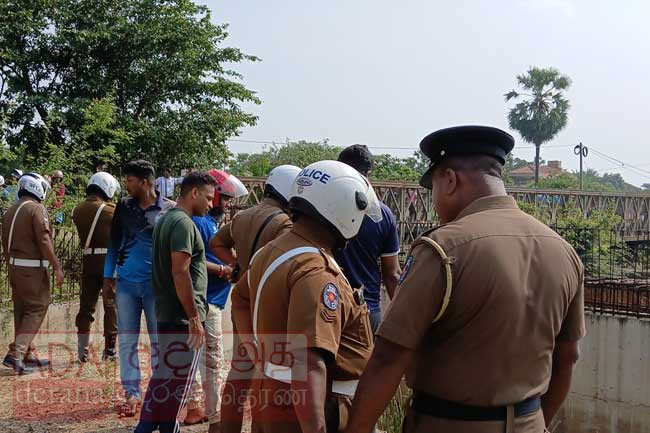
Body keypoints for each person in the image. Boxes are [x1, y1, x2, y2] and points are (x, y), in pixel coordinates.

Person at [346, 126, 586, 433]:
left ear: (449, 180)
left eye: (432, 187)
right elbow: (567, 358)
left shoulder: (443, 249)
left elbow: (388, 359)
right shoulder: (564, 252)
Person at [234, 160, 381, 433]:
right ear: (345, 208)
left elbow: (240, 299)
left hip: (275, 395)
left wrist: (259, 354)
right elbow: (308, 363)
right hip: (312, 408)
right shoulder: (316, 271)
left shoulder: (274, 250)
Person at [211, 164, 300, 433]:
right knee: (268, 373)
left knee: (240, 368)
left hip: (241, 300)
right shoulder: (284, 223)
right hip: (267, 304)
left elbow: (216, 243)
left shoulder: (242, 216)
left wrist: (238, 266)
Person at [134, 171, 217, 433]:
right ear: (193, 193)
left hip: (169, 312)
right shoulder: (183, 224)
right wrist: (194, 317)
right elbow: (180, 271)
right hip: (182, 316)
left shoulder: (166, 219)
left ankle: (144, 429)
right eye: (208, 197)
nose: (211, 204)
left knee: (163, 378)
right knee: (179, 382)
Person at [104, 160, 175, 417]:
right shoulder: (123, 207)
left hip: (156, 288)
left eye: (130, 180)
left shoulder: (170, 210)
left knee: (159, 342)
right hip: (126, 285)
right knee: (127, 341)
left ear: (145, 182)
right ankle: (131, 393)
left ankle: (157, 394)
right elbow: (113, 243)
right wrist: (107, 277)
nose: (126, 185)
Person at [184, 169, 248, 426]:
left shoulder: (206, 223)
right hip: (207, 300)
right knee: (213, 357)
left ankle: (196, 406)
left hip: (208, 299)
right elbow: (195, 262)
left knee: (198, 356)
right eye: (223, 198)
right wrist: (226, 270)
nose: (225, 204)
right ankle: (214, 413)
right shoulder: (201, 223)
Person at [335, 144, 401, 333]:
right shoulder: (383, 214)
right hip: (367, 309)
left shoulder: (324, 207)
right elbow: (392, 274)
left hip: (328, 305)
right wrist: (401, 321)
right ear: (369, 173)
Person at [1, 173, 64, 374]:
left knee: (22, 309)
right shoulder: (36, 209)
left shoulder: (10, 210)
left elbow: (4, 242)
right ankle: (16, 353)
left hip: (14, 266)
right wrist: (56, 266)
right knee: (38, 306)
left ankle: (27, 353)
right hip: (31, 268)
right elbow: (44, 240)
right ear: (38, 188)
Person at [71, 172, 121, 362]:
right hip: (108, 263)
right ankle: (109, 351)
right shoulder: (110, 210)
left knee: (86, 306)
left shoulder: (77, 210)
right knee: (111, 306)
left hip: (88, 261)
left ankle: (82, 350)